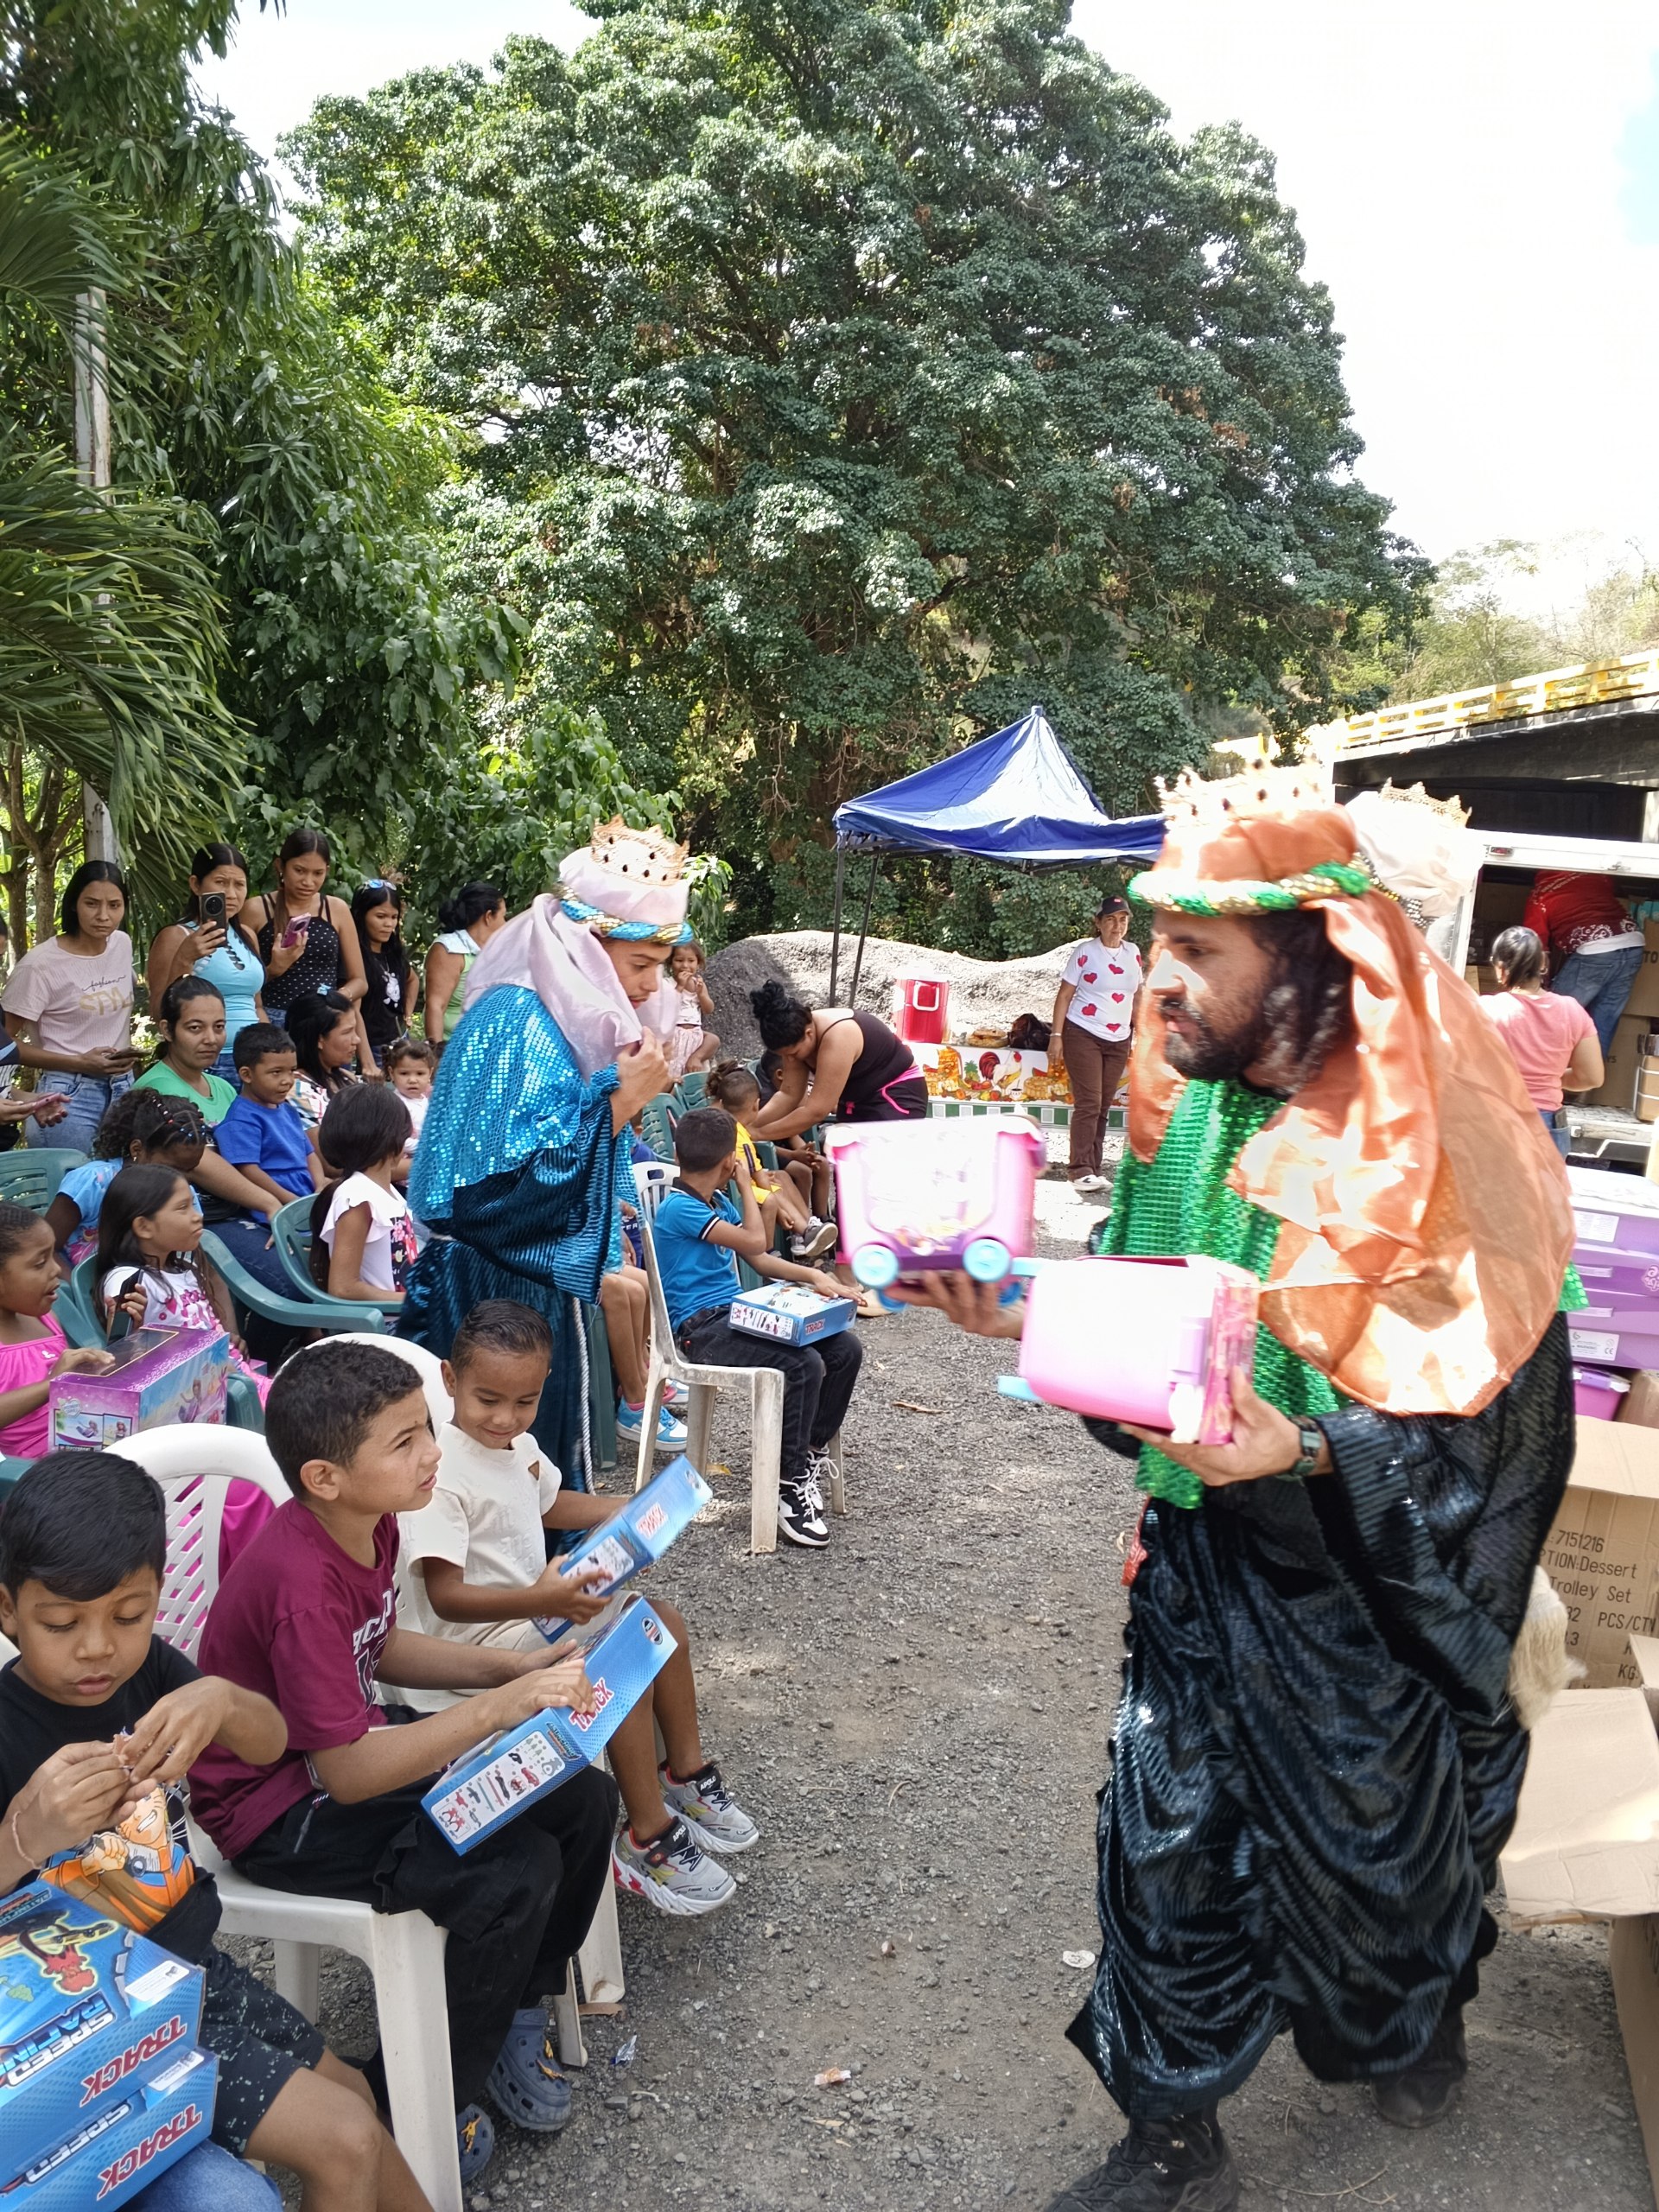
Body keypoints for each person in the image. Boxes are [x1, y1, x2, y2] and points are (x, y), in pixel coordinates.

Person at [896, 767, 1577, 2212]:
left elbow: (1500, 1442)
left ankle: (1412, 2015)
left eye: (1199, 947)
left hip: (1364, 1597)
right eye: (1158, 941)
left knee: (1382, 1872)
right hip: (1206, 1563)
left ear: (1315, 956)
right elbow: (1147, 1316)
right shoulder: (1189, 1112)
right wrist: (1024, 1316)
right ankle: (1169, 2127)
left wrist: (1317, 1452)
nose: (1159, 980)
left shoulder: (1446, 1153)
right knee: (1165, 1834)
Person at [188, 1339, 620, 2186]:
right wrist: (492, 1711)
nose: (434, 1451)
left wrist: (511, 1669)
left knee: (581, 1799)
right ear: (324, 1477)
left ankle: (514, 2010)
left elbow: (380, 1645)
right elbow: (347, 1773)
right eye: (406, 1441)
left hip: (340, 1751)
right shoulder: (299, 1580)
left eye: (426, 1427)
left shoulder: (373, 1518)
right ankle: (408, 2099)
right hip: (280, 1811)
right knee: (510, 1872)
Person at [0, 1452, 431, 2209]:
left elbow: (269, 1742)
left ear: (158, 1599)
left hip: (194, 1971)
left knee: (356, 2098)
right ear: (7, 1612)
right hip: (94, 2024)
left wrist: (223, 1699)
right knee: (345, 2138)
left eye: (128, 1616)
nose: (98, 1646)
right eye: (62, 1624)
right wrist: (26, 1837)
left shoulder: (148, 1675)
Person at [397, 1299, 754, 1913]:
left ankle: (684, 1775)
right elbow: (445, 1597)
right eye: (489, 1400)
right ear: (451, 1382)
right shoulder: (440, 1473)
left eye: (525, 1401)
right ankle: (645, 1837)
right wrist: (543, 1596)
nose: (506, 1418)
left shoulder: (521, 1447)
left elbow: (549, 1504)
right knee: (625, 1653)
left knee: (663, 1621)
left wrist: (635, 1510)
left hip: (531, 1619)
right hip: (472, 1653)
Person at [400, 822, 685, 1478]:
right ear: (584, 946)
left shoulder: (550, 1017)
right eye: (639, 965)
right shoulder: (520, 1023)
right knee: (485, 1477)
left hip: (519, 1283)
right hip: (485, 1291)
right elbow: (505, 1193)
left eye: (657, 969)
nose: (648, 988)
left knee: (534, 1471)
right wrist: (618, 1104)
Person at [656, 1107, 861, 1548]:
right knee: (803, 1364)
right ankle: (787, 1487)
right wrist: (750, 1186)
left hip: (735, 1314)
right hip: (702, 1330)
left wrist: (817, 1278)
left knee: (843, 1350)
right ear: (731, 1161)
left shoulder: (716, 1201)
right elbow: (755, 1241)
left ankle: (806, 1451)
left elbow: (760, 1256)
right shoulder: (680, 1208)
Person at [3, 860, 139, 1153]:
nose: (104, 916)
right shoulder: (40, 966)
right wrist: (79, 1062)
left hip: (122, 1086)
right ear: (74, 904)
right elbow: (4, 1045)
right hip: (67, 1095)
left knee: (121, 1191)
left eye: (114, 905)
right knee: (70, 1192)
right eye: (92, 903)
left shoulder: (121, 944)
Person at [245, 828, 373, 1067]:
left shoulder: (336, 909)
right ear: (280, 866)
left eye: (318, 873)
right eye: (299, 871)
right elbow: (242, 984)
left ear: (328, 871)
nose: (308, 881)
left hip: (327, 1026)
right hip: (273, 1022)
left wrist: (333, 998)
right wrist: (274, 969)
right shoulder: (256, 910)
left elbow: (360, 981)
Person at [146, 844, 268, 1080]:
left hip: (254, 1060)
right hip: (210, 1062)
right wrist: (185, 958)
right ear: (195, 884)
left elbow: (257, 1005)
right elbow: (158, 1011)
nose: (231, 894)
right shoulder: (177, 936)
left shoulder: (247, 935)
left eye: (239, 884)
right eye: (221, 882)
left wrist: (271, 1046)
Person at [747, 981, 927, 1138]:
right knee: (849, 1167)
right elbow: (789, 1095)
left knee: (879, 1167)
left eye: (793, 1054)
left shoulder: (838, 1037)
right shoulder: (796, 1038)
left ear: (809, 1034)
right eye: (784, 1055)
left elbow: (816, 1111)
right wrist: (747, 1127)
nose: (789, 1060)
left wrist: (760, 1134)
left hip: (895, 1095)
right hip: (857, 1099)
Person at [47, 1091, 212, 1265]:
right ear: (137, 1150)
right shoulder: (93, 1182)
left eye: (190, 1171)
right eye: (172, 1168)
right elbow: (47, 1249)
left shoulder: (184, 1195)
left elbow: (191, 1256)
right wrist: (74, 1290)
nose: (181, 1179)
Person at [1481, 925, 1604, 1157]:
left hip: (1496, 1121)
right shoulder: (1572, 1011)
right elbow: (1591, 1077)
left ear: (1499, 968)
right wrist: (1550, 1077)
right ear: (1543, 964)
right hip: (1548, 1127)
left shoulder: (1486, 1010)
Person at [0, 1202, 112, 1453]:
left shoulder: (46, 1317)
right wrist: (51, 1384)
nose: (55, 1270)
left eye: (53, 1256)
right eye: (40, 1263)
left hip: (86, 1439)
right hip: (42, 1472)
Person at [1050, 893, 1142, 1192]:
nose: (1117, 926)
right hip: (1084, 1033)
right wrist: (1056, 1036)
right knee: (1088, 1103)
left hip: (1119, 1039)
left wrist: (1142, 1033)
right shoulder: (1085, 952)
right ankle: (1079, 1169)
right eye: (1111, 920)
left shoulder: (1133, 953)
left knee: (1103, 1105)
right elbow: (1064, 995)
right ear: (1098, 923)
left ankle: (1094, 1167)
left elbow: (1137, 995)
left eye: (1123, 920)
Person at [97, 1163, 244, 1348]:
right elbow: (122, 1351)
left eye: (193, 1205)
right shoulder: (128, 1280)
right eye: (183, 1207)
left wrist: (228, 1343)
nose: (197, 1216)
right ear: (144, 1227)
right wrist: (129, 1334)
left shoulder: (184, 1268)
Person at [705, 1058, 836, 1258]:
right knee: (771, 1194)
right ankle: (780, 1245)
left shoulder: (728, 1125)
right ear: (756, 1107)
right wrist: (782, 1213)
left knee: (781, 1177)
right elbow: (757, 1176)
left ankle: (808, 1228)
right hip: (736, 1188)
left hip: (734, 1182)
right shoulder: (741, 1136)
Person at [312, 1086, 417, 1305]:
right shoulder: (357, 1198)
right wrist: (412, 1301)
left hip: (405, 1314)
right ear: (389, 1140)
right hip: (386, 1324)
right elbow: (343, 1288)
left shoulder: (384, 1192)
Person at [1522, 868, 1646, 1054]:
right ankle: (1589, 1082)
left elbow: (1535, 944)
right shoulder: (1593, 875)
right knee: (1603, 1023)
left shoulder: (1540, 896)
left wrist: (1540, 982)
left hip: (1595, 951)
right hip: (1633, 942)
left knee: (1553, 1014)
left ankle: (1540, 1075)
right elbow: (1608, 884)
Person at [135, 975, 239, 1122]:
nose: (211, 1039)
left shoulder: (225, 1089)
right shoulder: (160, 1091)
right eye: (195, 1028)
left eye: (219, 1027)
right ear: (167, 1030)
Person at [423, 882, 508, 1050]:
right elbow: (436, 1006)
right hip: (453, 1048)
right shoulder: (450, 949)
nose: (506, 923)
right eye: (503, 916)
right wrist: (435, 1056)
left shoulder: (498, 948)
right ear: (489, 916)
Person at [353, 881, 417, 1069]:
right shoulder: (355, 958)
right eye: (380, 916)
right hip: (370, 1048)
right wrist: (367, 1062)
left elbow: (412, 979)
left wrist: (408, 1015)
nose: (389, 924)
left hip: (399, 1043)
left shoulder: (393, 954)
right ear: (361, 915)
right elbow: (352, 1011)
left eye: (394, 917)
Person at [287, 990, 363, 1127]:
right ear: (319, 1039)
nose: (357, 1039)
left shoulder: (347, 1078)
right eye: (347, 1032)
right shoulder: (298, 1092)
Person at [665, 938, 719, 1077]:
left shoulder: (699, 984)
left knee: (713, 1041)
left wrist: (701, 995)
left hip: (695, 1034)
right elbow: (667, 1008)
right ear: (670, 963)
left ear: (698, 963)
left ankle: (696, 1061)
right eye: (679, 960)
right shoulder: (667, 984)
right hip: (675, 1033)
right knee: (674, 1070)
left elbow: (709, 1009)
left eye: (691, 961)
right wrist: (680, 986)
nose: (685, 965)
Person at [385, 1035, 435, 1147]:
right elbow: (399, 1141)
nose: (412, 1080)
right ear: (392, 1073)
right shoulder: (395, 1104)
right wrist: (426, 1147)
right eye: (404, 1073)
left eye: (420, 1074)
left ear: (430, 1073)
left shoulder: (429, 1099)